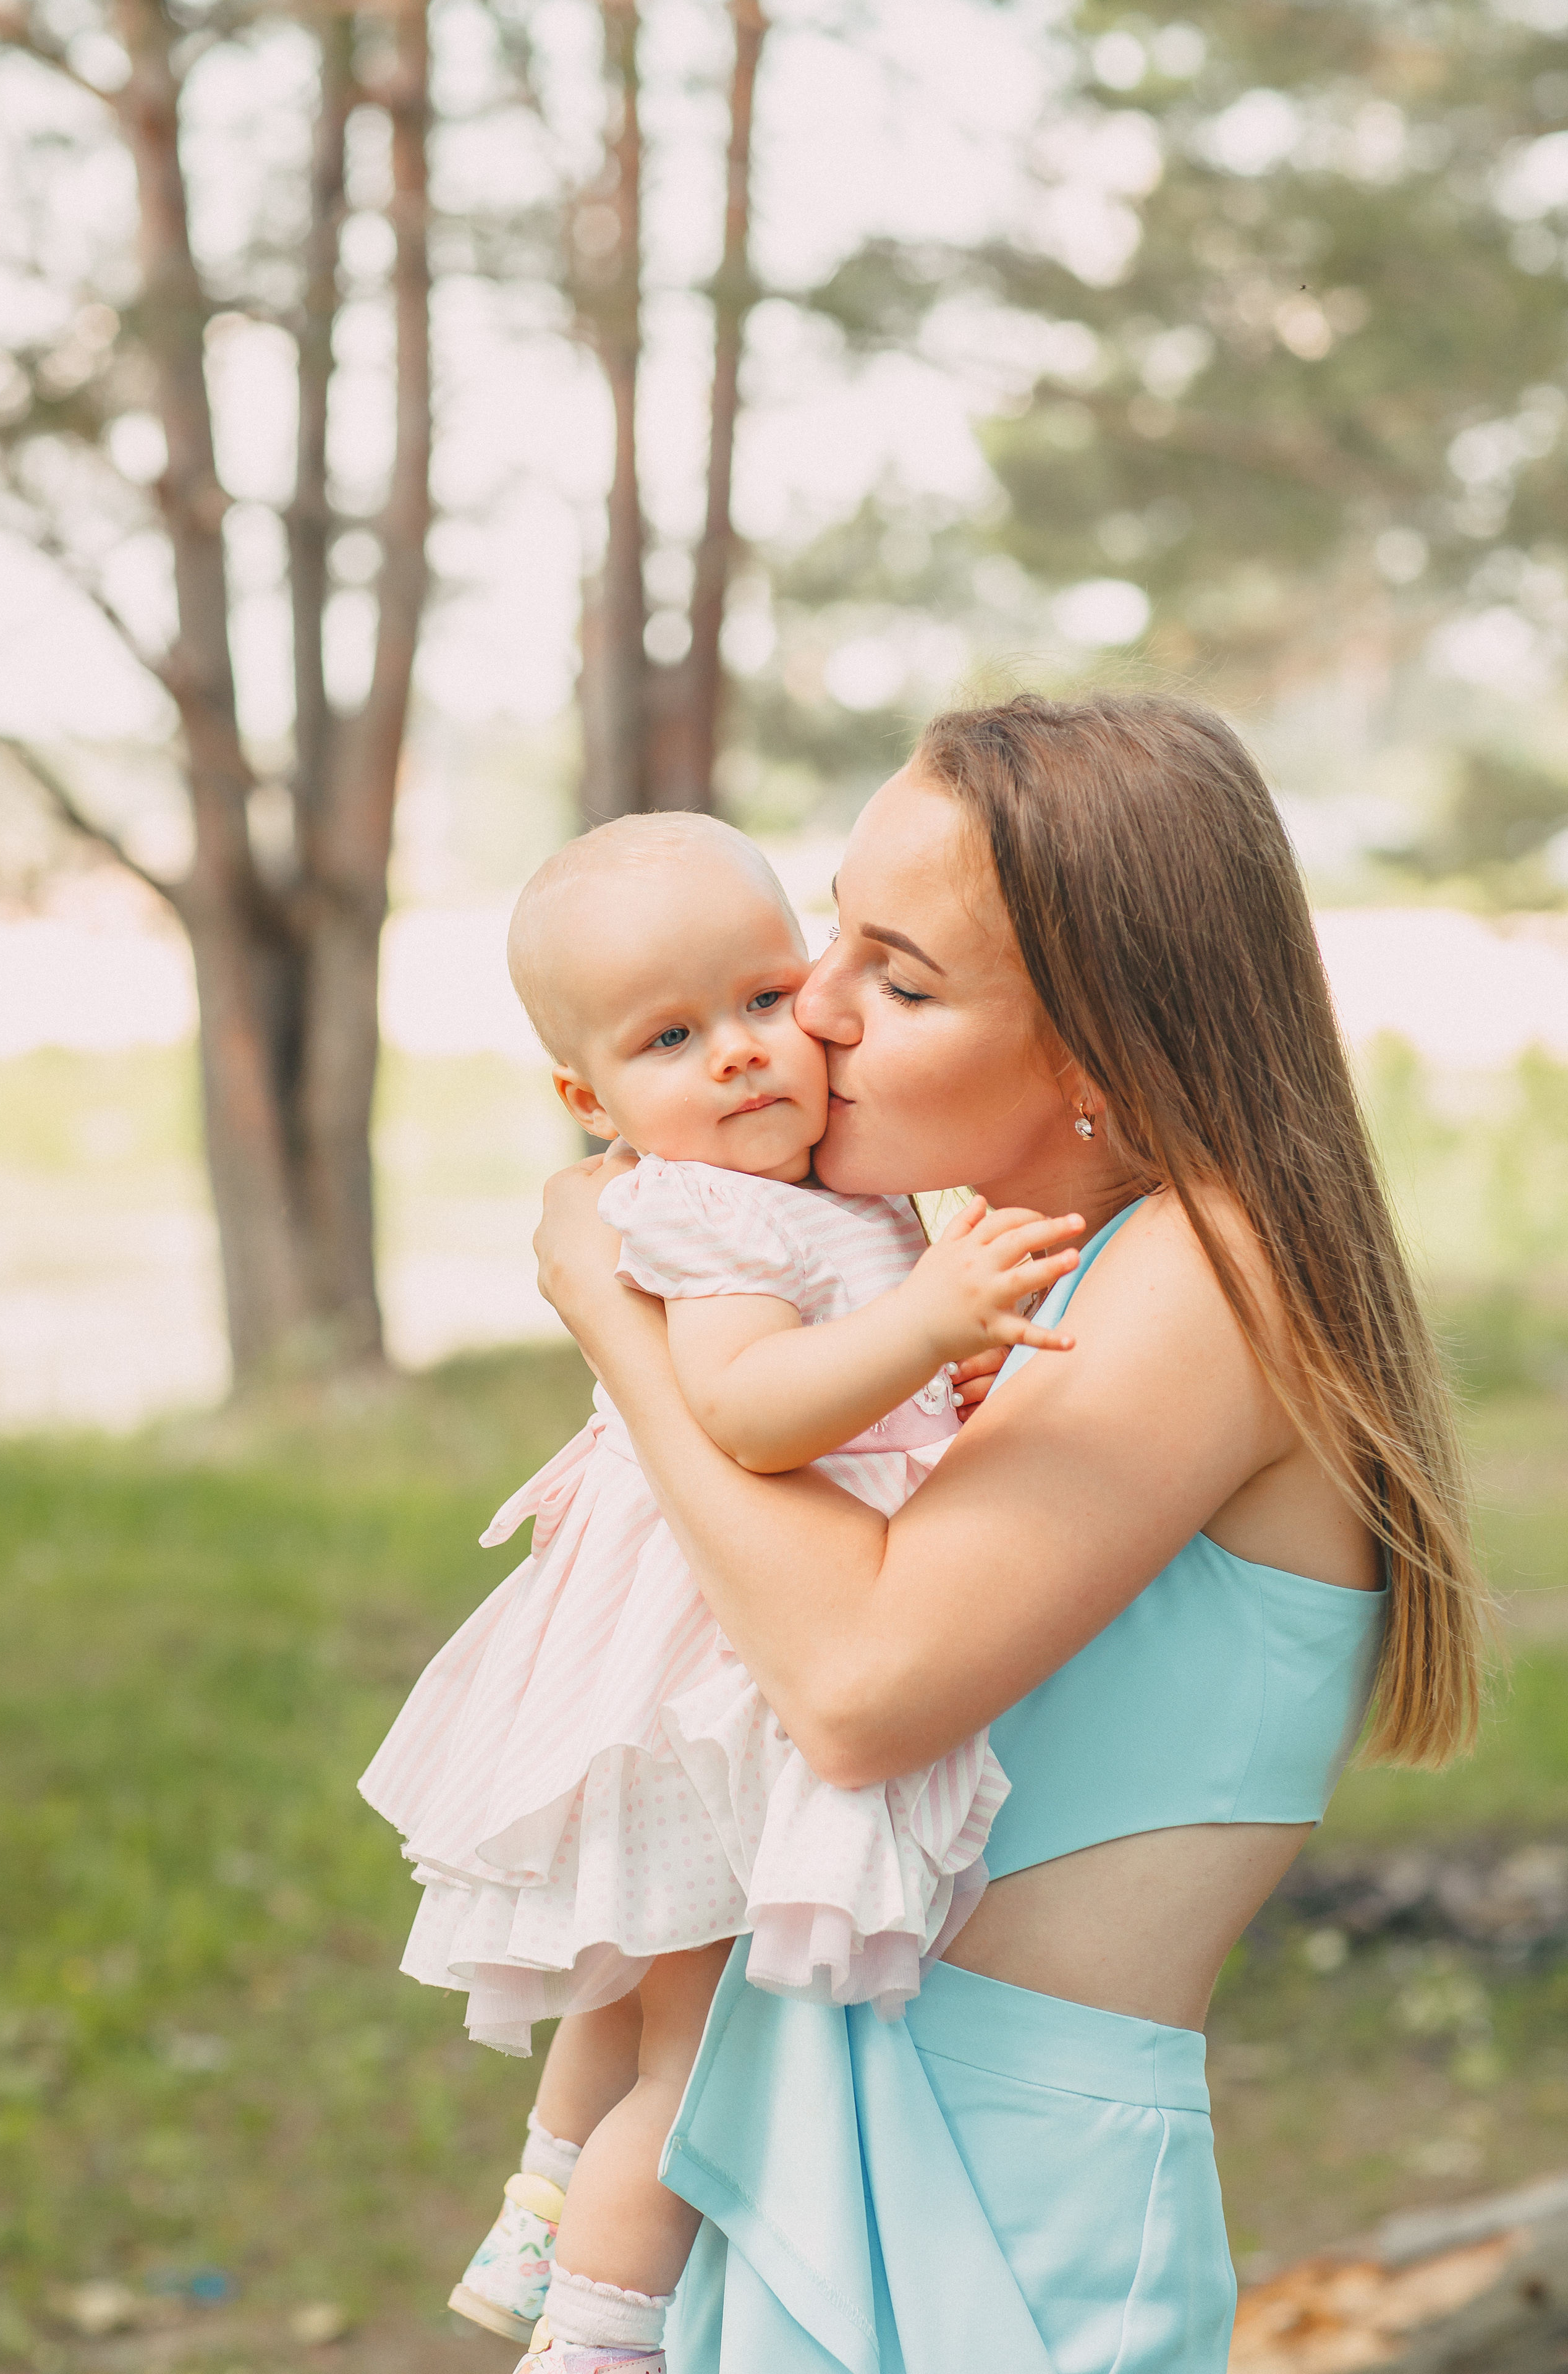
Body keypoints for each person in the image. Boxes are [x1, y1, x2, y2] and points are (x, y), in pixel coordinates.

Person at [531, 693, 1490, 2373]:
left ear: (1100, 1058)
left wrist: (620, 1316)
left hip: (1002, 2196)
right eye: (829, 935)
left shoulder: (1213, 1267)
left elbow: (856, 1683)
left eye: (897, 981)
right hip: (845, 2117)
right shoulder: (999, 1267)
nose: (811, 1017)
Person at [359, 812, 1082, 2372]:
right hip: (707, 1672)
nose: (747, 1056)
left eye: (764, 1000)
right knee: (695, 2052)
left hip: (691, 1650)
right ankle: (600, 2336)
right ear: (588, 1099)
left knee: (642, 1990)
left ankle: (542, 2212)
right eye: (672, 1037)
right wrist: (933, 1319)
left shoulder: (818, 1186)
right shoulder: (707, 1208)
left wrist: (929, 1342)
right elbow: (750, 1410)